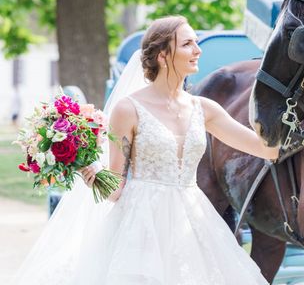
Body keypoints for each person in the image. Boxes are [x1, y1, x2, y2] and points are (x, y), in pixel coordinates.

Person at [13, 15, 277, 285]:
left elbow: (265, 149)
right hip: (139, 226)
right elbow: (115, 190)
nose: (198, 50)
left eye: (196, 43)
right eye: (188, 44)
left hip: (193, 220)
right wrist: (87, 167)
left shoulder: (204, 109)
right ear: (163, 55)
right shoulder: (128, 110)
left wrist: (303, 123)